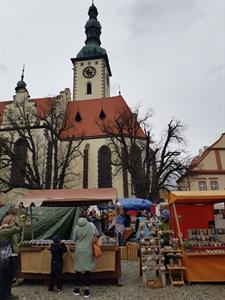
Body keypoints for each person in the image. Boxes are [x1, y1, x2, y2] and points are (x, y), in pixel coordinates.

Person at [73, 210, 95, 298]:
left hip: (78, 250)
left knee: (78, 270)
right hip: (88, 250)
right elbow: (96, 234)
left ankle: (77, 290)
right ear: (86, 217)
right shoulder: (91, 225)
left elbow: (74, 239)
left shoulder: (76, 227)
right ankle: (86, 291)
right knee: (87, 271)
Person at [0, 208, 20, 300]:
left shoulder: (9, 230)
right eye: (13, 219)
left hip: (13, 256)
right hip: (7, 257)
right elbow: (17, 228)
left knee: (9, 278)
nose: (15, 220)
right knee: (5, 278)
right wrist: (10, 224)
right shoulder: (4, 231)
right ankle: (4, 296)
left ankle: (8, 294)